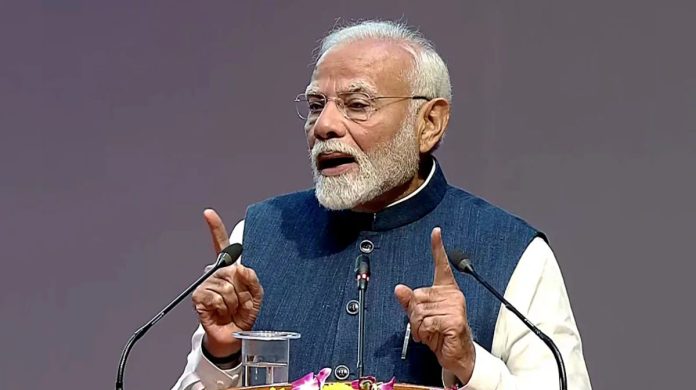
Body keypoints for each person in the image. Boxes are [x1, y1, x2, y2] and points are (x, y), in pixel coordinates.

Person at [172, 20, 591, 390]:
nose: (324, 126)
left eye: (357, 105)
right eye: (316, 105)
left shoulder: (511, 252)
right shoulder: (260, 236)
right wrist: (220, 353)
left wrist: (469, 363)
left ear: (429, 123)